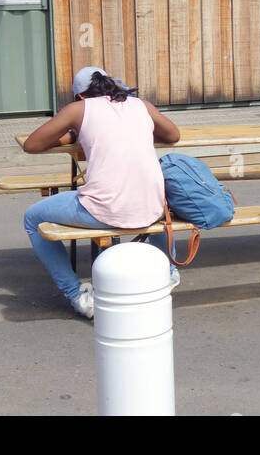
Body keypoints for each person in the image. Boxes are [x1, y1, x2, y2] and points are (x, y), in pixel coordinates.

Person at [22, 66, 181, 318]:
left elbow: (32, 145)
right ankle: (169, 272)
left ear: (81, 96)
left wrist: (71, 135)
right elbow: (173, 135)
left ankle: (77, 296)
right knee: (154, 193)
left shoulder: (79, 109)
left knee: (32, 217)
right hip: (152, 209)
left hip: (105, 210)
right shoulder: (142, 105)